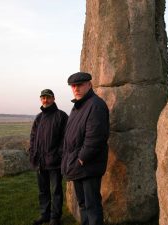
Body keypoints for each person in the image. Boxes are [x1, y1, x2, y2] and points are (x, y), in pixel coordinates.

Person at [62, 72, 110, 225]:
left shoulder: (96, 105)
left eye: (80, 85)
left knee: (92, 206)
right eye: (73, 86)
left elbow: (95, 138)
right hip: (78, 165)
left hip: (88, 166)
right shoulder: (77, 107)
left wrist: (81, 159)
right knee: (83, 205)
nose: (76, 88)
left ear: (89, 85)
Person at [29, 89, 68, 225]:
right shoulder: (39, 118)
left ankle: (55, 217)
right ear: (41, 100)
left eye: (48, 98)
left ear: (53, 98)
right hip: (40, 161)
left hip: (54, 161)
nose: (45, 100)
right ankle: (45, 215)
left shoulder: (61, 116)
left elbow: (65, 138)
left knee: (56, 190)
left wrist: (59, 154)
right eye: (43, 98)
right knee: (43, 190)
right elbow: (33, 137)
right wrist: (32, 153)